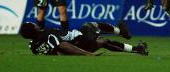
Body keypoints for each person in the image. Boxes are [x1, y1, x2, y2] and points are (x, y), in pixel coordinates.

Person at [20, 21, 148, 56]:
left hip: (79, 41)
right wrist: (86, 54)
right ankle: (122, 33)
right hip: (80, 40)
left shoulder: (33, 45)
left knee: (103, 41)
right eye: (33, 24)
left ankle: (134, 46)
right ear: (34, 29)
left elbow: (41, 50)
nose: (36, 24)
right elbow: (62, 46)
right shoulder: (48, 35)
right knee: (92, 26)